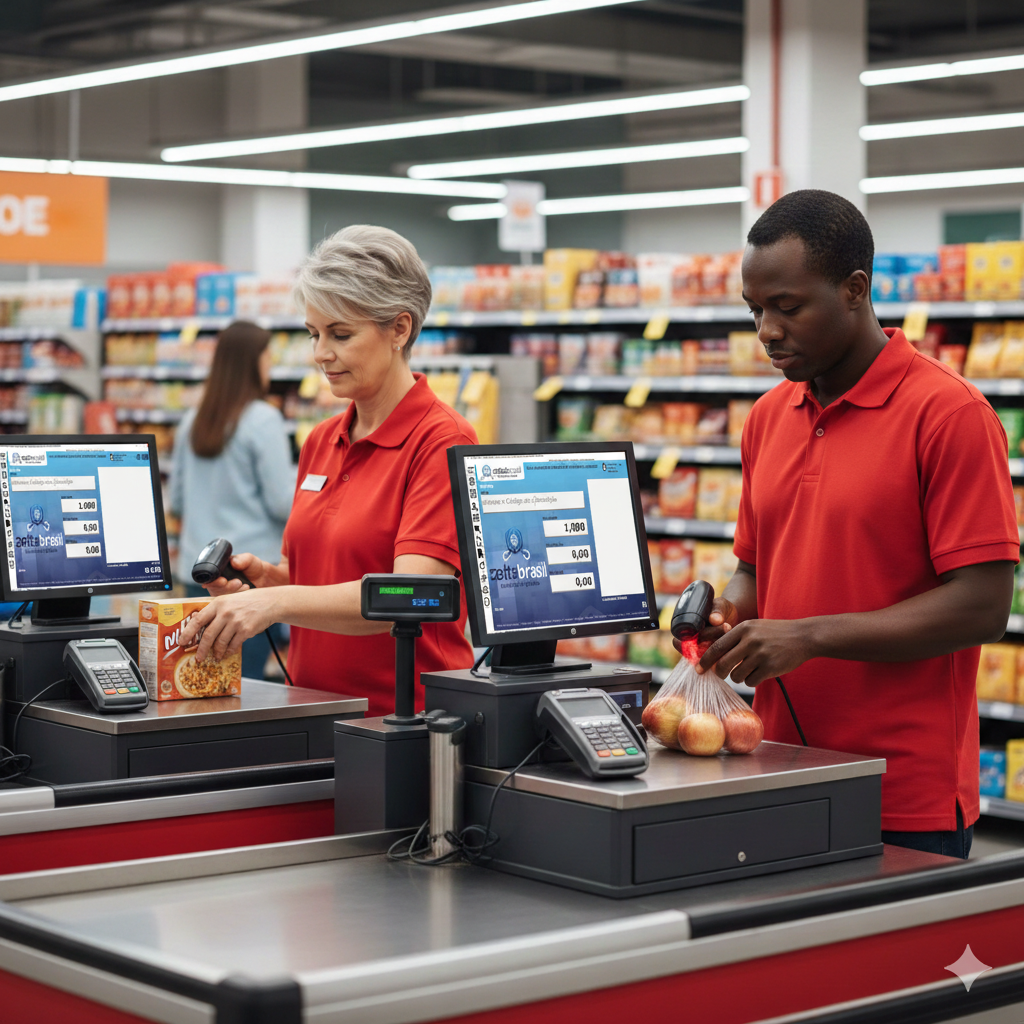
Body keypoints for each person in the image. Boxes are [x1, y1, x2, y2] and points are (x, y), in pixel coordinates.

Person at [691, 189, 1018, 859]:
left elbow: (983, 607)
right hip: (776, 763)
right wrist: (726, 619)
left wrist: (809, 636)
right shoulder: (766, 419)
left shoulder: (949, 415)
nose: (768, 332)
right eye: (755, 311)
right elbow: (755, 567)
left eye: (788, 308)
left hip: (903, 792)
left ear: (854, 290)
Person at [178, 225, 477, 716]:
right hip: (315, 708)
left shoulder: (442, 440)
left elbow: (412, 594)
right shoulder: (321, 440)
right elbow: (323, 576)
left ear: (399, 329)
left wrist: (277, 604)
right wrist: (269, 583)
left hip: (408, 718)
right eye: (314, 334)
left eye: (340, 334)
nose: (320, 353)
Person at [168, 320, 294, 680]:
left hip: (198, 571)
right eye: (267, 356)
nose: (270, 364)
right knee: (245, 684)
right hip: (247, 574)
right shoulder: (263, 419)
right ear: (251, 362)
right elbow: (279, 503)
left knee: (202, 676)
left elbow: (176, 500)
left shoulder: (192, 419)